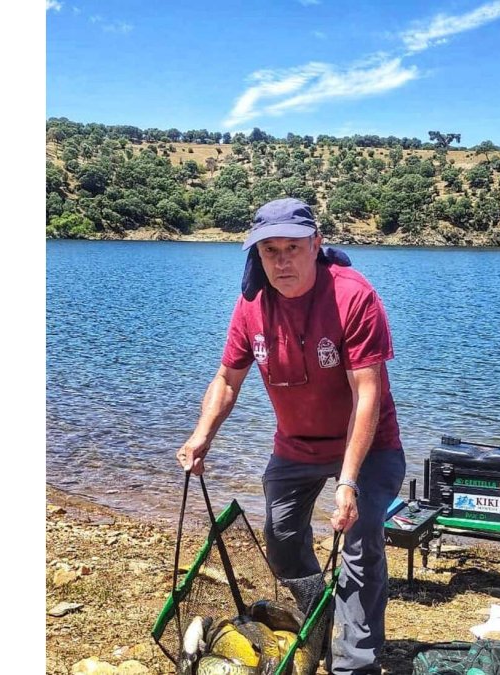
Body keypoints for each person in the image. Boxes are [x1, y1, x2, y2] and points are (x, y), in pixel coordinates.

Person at [176, 197, 406, 675]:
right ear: (256, 256)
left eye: (293, 248)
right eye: (270, 251)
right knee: (281, 539)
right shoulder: (251, 304)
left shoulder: (353, 296)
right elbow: (226, 379)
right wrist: (202, 436)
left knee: (361, 538)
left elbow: (368, 394)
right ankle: (317, 614)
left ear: (317, 245)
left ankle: (354, 663)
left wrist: (348, 482)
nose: (282, 261)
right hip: (296, 445)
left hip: (366, 446)